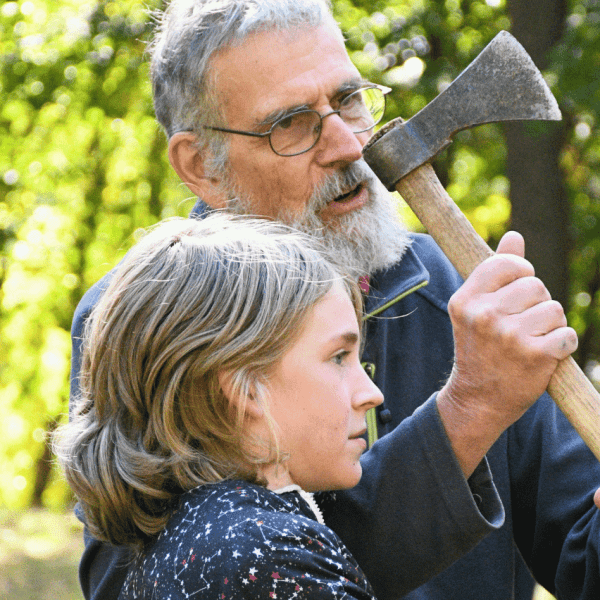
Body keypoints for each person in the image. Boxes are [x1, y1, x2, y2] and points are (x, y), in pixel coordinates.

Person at [68, 1, 599, 599]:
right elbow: (185, 579)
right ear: (200, 166)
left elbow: (583, 556)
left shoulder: (464, 297)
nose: (348, 144)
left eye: (349, 100)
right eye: (292, 123)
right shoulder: (148, 318)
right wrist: (470, 409)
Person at [57, 214, 387, 599]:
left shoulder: (189, 536)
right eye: (338, 357)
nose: (371, 394)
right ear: (245, 389)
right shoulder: (265, 556)